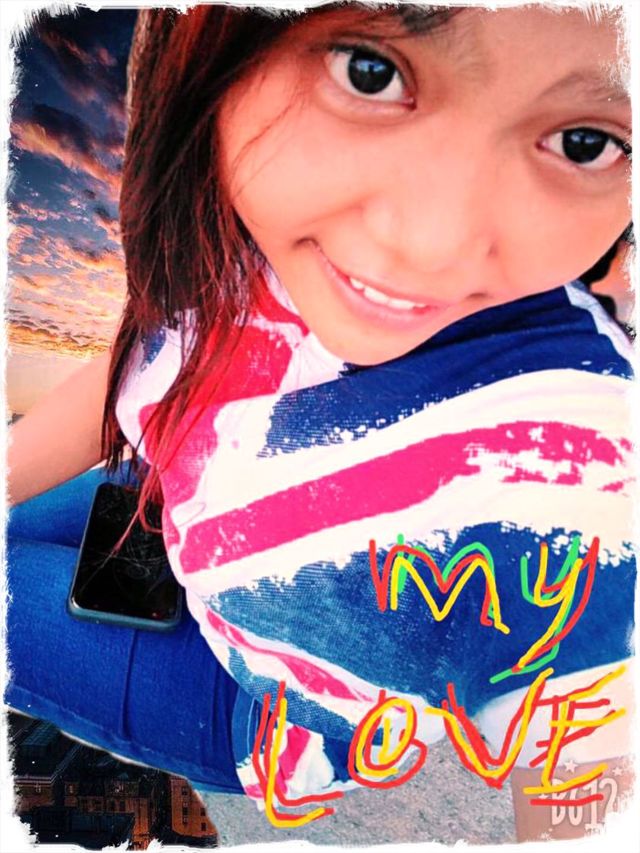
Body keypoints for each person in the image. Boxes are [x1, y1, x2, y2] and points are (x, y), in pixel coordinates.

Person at [5, 2, 636, 843]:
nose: (431, 244)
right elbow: (148, 355)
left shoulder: (579, 456)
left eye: (586, 143)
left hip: (249, 705)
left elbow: (596, 759)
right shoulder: (240, 237)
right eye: (371, 72)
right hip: (173, 505)